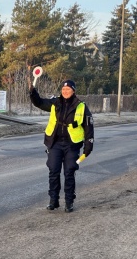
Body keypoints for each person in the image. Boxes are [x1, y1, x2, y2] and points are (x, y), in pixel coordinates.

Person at [29, 79, 94, 212]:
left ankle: (69, 202)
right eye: (63, 89)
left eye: (68, 89)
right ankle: (53, 201)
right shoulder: (55, 103)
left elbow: (89, 127)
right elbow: (39, 102)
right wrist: (32, 91)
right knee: (53, 171)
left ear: (73, 91)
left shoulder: (81, 106)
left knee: (69, 171)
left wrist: (89, 145)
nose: (65, 91)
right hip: (55, 143)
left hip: (72, 144)